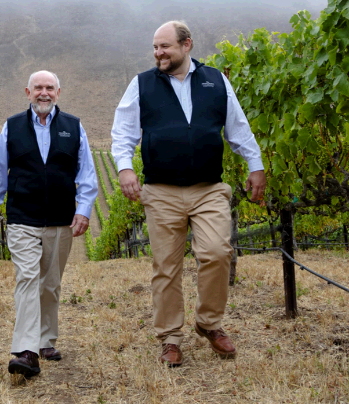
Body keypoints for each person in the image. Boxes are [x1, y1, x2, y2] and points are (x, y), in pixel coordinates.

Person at [111, 21, 266, 367]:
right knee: (166, 266)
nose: (158, 53)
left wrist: (255, 165)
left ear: (186, 45)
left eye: (164, 46)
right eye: (154, 47)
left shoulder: (215, 81)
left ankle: (209, 323)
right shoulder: (141, 84)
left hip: (208, 188)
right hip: (161, 191)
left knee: (217, 252)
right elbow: (122, 133)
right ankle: (170, 337)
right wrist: (124, 168)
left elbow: (237, 127)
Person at [0, 70, 98, 377]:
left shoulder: (73, 127)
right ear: (28, 92)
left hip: (61, 220)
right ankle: (25, 350)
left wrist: (84, 210)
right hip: (22, 218)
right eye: (38, 88)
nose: (43, 93)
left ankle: (46, 340)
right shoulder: (12, 126)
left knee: (50, 283)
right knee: (28, 279)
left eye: (49, 88)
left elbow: (86, 174)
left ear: (58, 93)